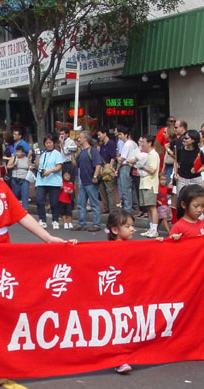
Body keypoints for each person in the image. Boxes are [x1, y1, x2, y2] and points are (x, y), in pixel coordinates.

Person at [104, 207, 137, 374]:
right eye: (128, 226)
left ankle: (127, 355)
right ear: (115, 230)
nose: (133, 229)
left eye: (133, 226)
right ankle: (119, 359)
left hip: (129, 295)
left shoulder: (133, 247)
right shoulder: (106, 249)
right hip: (113, 296)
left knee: (129, 326)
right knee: (117, 327)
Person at [73, 130, 103, 232]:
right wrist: (72, 154)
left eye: (80, 137)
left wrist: (95, 176)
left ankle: (96, 224)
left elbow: (98, 164)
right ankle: (82, 223)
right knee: (81, 203)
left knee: (94, 203)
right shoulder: (82, 152)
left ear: (85, 139)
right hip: (83, 181)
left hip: (90, 181)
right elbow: (75, 164)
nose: (79, 139)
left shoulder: (92, 150)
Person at [34, 133, 65, 229]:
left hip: (53, 181)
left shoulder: (57, 154)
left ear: (54, 143)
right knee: (39, 201)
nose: (48, 144)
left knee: (54, 202)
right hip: (41, 181)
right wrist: (37, 156)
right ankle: (42, 219)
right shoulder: (42, 154)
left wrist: (50, 171)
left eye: (50, 142)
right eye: (47, 143)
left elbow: (59, 166)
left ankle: (55, 220)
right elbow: (36, 166)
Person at [135, 135, 160, 237]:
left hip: (151, 184)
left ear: (149, 143)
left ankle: (155, 229)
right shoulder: (146, 154)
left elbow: (153, 170)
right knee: (148, 208)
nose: (141, 144)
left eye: (143, 142)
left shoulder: (154, 154)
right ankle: (151, 228)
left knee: (152, 207)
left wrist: (141, 166)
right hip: (144, 183)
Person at [115, 125, 138, 212]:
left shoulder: (127, 144)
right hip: (132, 167)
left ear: (126, 135)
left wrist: (117, 169)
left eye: (121, 134)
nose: (119, 136)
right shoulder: (134, 143)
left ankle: (128, 208)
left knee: (125, 188)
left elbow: (121, 159)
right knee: (132, 188)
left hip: (125, 167)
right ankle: (134, 205)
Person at [96, 126, 118, 212]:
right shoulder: (102, 145)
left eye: (99, 134)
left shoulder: (111, 143)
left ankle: (112, 208)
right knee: (102, 189)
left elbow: (113, 157)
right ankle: (106, 208)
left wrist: (110, 168)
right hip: (102, 168)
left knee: (109, 189)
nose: (99, 137)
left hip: (108, 167)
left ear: (105, 134)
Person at [8, 144, 31, 211]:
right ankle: (14, 208)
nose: (18, 153)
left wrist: (30, 168)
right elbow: (8, 166)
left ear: (23, 152)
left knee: (25, 194)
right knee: (15, 194)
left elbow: (29, 168)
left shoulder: (27, 159)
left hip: (24, 179)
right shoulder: (14, 158)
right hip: (15, 178)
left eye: (19, 152)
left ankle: (25, 209)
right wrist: (13, 165)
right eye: (17, 152)